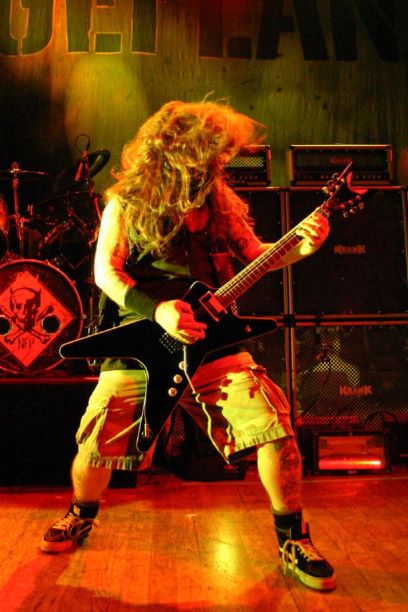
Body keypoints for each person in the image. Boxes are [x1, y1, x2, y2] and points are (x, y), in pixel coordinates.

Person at [41, 99, 335, 591]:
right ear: (181, 153)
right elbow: (106, 273)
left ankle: (293, 538)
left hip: (213, 344)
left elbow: (256, 255)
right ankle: (80, 512)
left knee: (274, 430)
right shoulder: (126, 204)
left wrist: (302, 246)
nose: (221, 162)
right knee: (96, 445)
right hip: (141, 344)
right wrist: (158, 310)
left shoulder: (221, 205)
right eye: (213, 153)